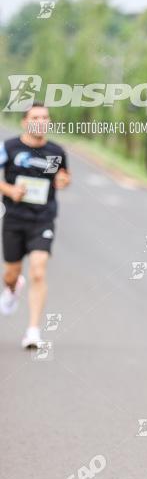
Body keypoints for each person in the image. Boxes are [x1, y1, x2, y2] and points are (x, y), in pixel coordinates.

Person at [0, 102, 71, 348]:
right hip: (14, 218)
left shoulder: (57, 152)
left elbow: (63, 177)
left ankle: (33, 331)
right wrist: (9, 189)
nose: (41, 121)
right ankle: (11, 287)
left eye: (45, 117)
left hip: (43, 218)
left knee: (38, 270)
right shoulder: (9, 148)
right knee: (11, 273)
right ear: (25, 122)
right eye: (35, 117)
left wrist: (63, 181)